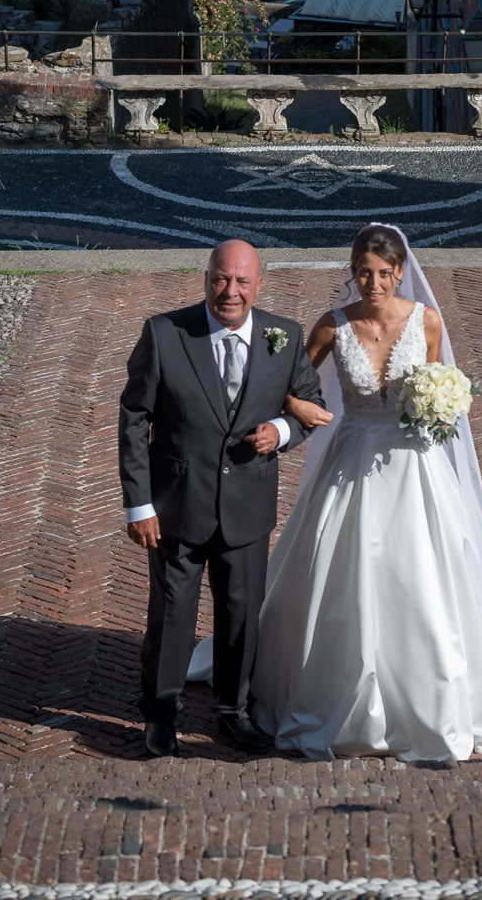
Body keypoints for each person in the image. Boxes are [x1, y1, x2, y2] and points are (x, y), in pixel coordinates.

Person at [249, 221, 482, 760]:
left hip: (416, 468)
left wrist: (439, 405)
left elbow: (438, 384)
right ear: (353, 273)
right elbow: (280, 382)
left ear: (401, 273)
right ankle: (340, 700)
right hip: (352, 459)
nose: (374, 284)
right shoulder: (332, 327)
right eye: (364, 273)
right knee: (341, 574)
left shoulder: (427, 321)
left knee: (426, 578)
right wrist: (300, 407)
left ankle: (429, 703)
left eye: (384, 274)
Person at [119, 238, 328, 757]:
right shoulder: (165, 334)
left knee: (241, 616)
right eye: (219, 278)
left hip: (247, 510)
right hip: (176, 508)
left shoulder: (285, 335)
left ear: (260, 284)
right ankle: (161, 714)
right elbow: (134, 417)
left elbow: (313, 404)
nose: (229, 291)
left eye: (241, 282)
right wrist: (139, 504)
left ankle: (234, 713)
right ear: (206, 277)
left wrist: (280, 431)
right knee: (171, 616)